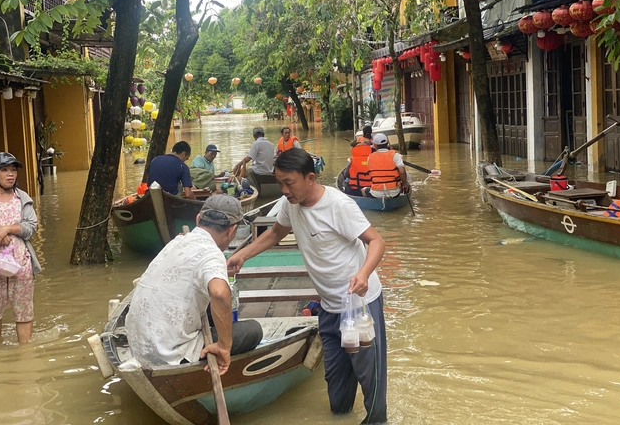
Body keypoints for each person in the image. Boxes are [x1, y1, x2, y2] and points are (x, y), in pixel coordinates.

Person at [228, 148, 387, 424]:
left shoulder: (339, 205)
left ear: (310, 178)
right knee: (337, 390)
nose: (284, 189)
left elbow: (376, 242)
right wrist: (242, 255)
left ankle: (377, 420)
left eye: (289, 182)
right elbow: (276, 233)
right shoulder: (290, 204)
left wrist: (363, 274)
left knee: (370, 379)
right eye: (279, 183)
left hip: (360, 305)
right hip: (329, 307)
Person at [125, 195, 263, 371]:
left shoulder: (178, 241)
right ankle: (213, 348)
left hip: (138, 345)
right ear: (232, 230)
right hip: (169, 353)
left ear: (198, 219)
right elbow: (220, 294)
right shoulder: (212, 253)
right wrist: (224, 346)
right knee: (253, 330)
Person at [0, 152, 42, 345]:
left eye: (13, 170)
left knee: (24, 311)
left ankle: (24, 354)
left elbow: (31, 226)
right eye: (4, 170)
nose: (10, 174)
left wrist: (8, 229)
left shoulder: (21, 197)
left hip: (20, 263)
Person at [362, 133, 409, 199]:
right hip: (394, 191)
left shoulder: (370, 157)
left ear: (374, 145)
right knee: (406, 175)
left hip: (376, 193)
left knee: (363, 190)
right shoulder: (395, 155)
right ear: (387, 143)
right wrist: (404, 184)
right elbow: (402, 171)